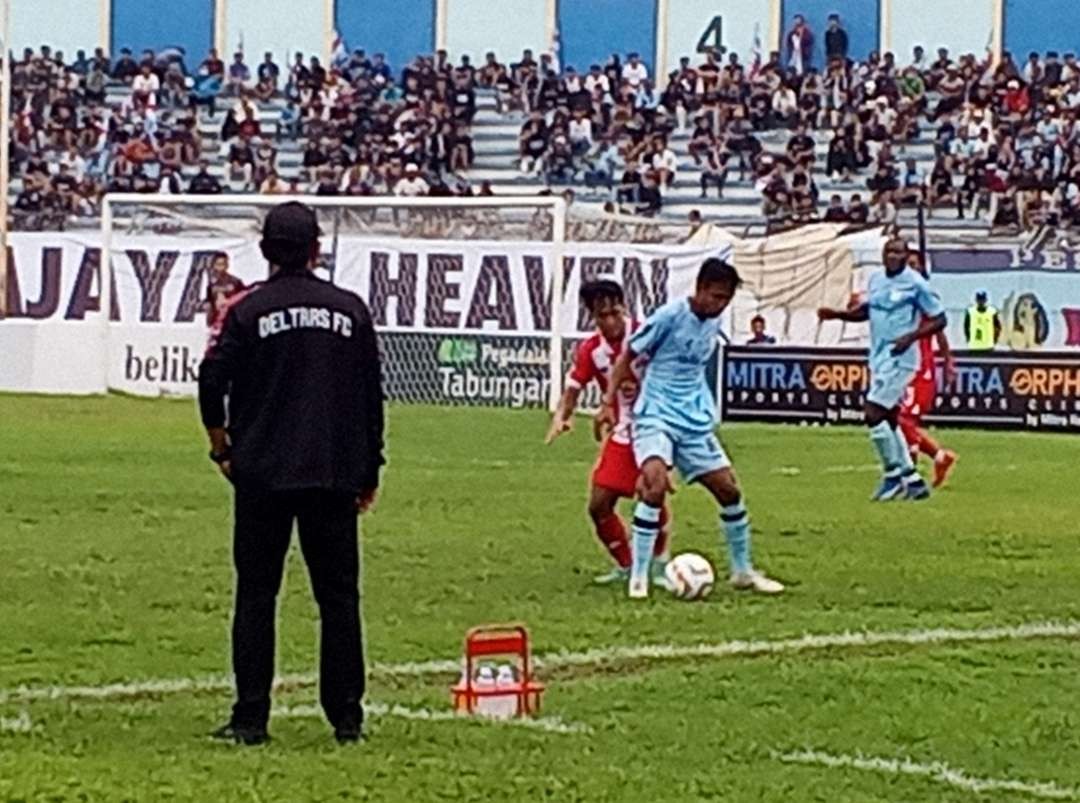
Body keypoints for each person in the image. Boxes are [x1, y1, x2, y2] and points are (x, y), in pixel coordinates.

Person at [197, 202, 384, 745]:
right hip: (332, 473)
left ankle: (251, 718)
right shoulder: (350, 310)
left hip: (260, 475)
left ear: (264, 251)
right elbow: (372, 397)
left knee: (257, 594)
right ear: (316, 249)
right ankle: (347, 719)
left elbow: (211, 380)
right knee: (339, 598)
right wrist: (369, 468)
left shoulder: (246, 311)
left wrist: (221, 448)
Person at [598, 259, 785, 599]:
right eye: (715, 296)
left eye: (726, 299)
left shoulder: (714, 320)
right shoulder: (668, 317)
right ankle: (639, 576)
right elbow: (628, 356)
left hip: (694, 419)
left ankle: (743, 571)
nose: (720, 304)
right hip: (656, 414)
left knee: (729, 490)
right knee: (653, 485)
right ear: (699, 289)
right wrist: (606, 403)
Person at [546, 281, 671, 586]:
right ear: (593, 317)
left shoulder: (646, 334)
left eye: (615, 312)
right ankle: (627, 565)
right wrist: (563, 416)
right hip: (624, 429)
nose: (611, 321)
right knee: (599, 504)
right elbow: (574, 387)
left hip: (657, 424)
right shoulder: (592, 350)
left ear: (624, 308)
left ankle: (657, 563)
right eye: (602, 315)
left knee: (649, 492)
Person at [817, 237, 946, 501]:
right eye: (888, 251)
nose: (892, 255)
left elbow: (939, 319)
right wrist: (837, 314)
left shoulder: (915, 284)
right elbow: (868, 311)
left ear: (906, 255)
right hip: (878, 357)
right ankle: (913, 481)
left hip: (902, 357)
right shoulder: (876, 279)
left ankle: (892, 474)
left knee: (872, 411)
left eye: (898, 251)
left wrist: (910, 337)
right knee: (888, 417)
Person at [898, 252, 958, 487]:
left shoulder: (924, 297)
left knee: (903, 420)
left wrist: (948, 361)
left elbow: (939, 331)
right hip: (902, 366)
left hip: (920, 367)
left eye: (914, 264)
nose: (910, 268)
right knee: (898, 420)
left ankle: (909, 476)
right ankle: (940, 457)